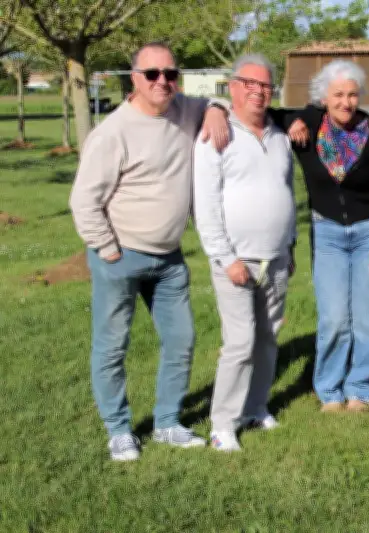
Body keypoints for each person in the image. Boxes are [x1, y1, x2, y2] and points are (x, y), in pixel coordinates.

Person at [69, 42, 231, 461]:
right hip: (120, 256)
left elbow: (217, 96)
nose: (163, 82)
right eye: (152, 74)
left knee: (181, 340)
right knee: (112, 345)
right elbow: (84, 202)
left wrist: (215, 107)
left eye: (170, 74)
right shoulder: (112, 133)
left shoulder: (183, 109)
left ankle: (167, 423)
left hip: (170, 259)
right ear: (134, 79)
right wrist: (107, 250)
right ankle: (119, 429)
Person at [272, 60, 369, 413]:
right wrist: (289, 121)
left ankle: (361, 387)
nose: (346, 102)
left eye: (353, 94)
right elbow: (268, 112)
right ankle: (329, 390)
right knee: (334, 317)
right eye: (338, 94)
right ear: (323, 98)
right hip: (326, 232)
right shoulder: (309, 124)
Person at [193, 54, 296, 452]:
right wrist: (225, 257)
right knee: (239, 342)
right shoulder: (216, 134)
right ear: (233, 87)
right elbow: (206, 204)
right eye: (249, 84)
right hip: (236, 259)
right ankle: (222, 425)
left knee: (268, 339)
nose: (258, 91)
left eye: (266, 85)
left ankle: (256, 406)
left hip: (277, 257)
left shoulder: (278, 135)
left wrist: (290, 246)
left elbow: (286, 192)